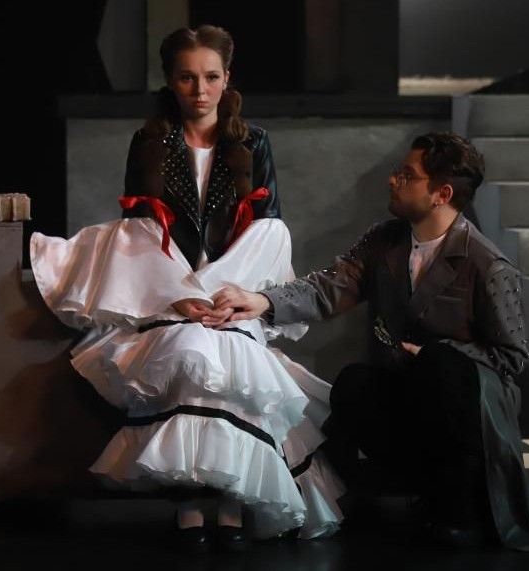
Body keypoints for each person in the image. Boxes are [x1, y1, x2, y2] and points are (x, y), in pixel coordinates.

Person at [212, 132, 529, 550]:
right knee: (354, 383)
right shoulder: (384, 240)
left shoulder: (487, 264)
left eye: (407, 175)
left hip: (469, 408)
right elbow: (328, 286)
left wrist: (436, 355)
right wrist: (262, 301)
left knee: (439, 367)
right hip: (409, 394)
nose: (392, 180)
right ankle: (417, 489)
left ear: (442, 194)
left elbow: (510, 358)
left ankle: (464, 508)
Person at [29, 25, 343, 551]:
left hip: (233, 293)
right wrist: (176, 294)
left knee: (229, 355)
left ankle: (230, 500)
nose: (200, 90)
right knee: (189, 350)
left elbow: (268, 230)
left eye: (211, 77)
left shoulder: (253, 142)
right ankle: (193, 501)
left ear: (227, 79)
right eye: (187, 78)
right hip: (170, 294)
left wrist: (227, 296)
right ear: (170, 81)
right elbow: (138, 231)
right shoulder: (150, 143)